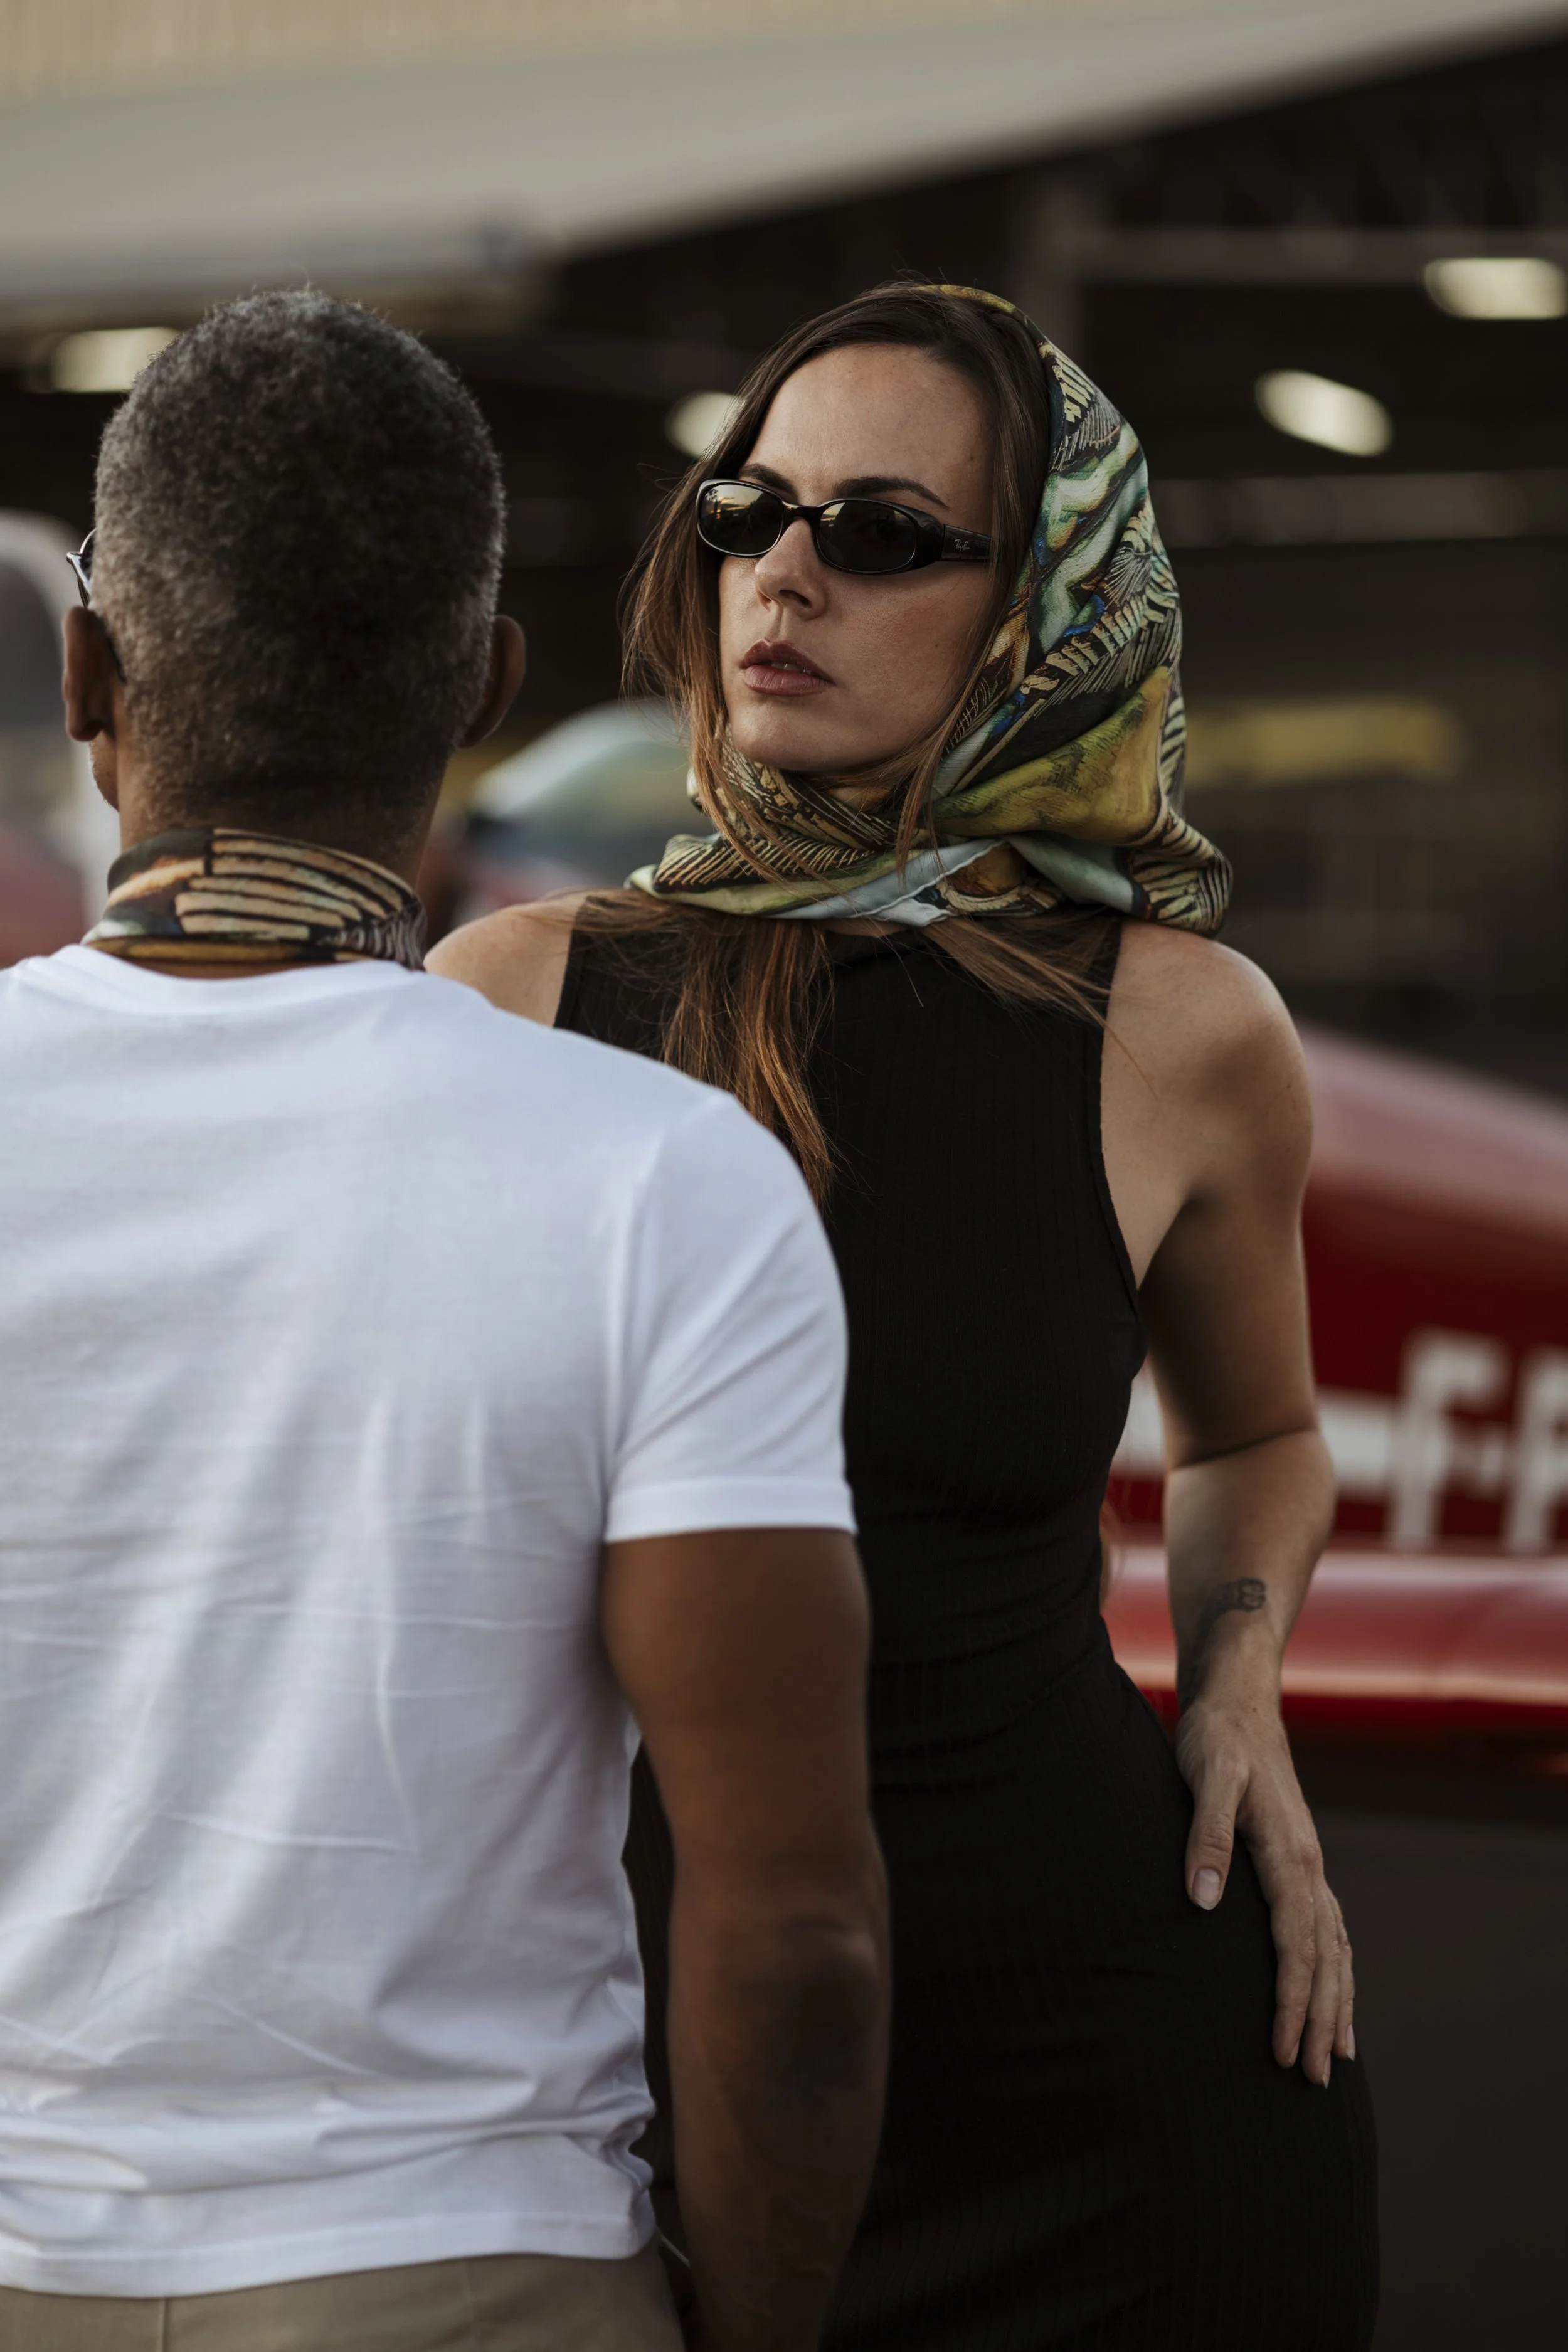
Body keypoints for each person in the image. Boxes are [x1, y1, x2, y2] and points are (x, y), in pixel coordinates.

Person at [432, 282, 1379, 2350]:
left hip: (1111, 2102)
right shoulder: (506, 996)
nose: (783, 574)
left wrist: (1236, 1685)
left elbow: (1254, 1438)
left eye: (879, 532)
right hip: (624, 2086)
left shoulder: (1179, 1027)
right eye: (747, 511)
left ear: (1040, 611)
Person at [0, 291, 889, 2352]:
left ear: (87, 673)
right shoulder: (665, 1182)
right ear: (486, 683)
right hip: (465, 2270)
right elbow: (795, 1941)